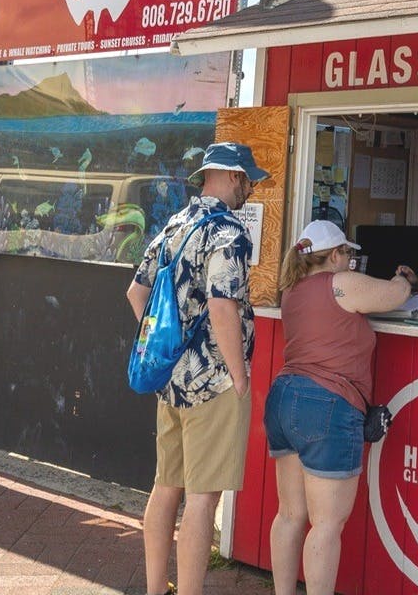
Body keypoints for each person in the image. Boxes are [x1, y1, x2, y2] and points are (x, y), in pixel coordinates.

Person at [125, 142, 269, 595]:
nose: (248, 187)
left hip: (171, 382)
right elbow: (223, 306)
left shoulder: (173, 225)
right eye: (246, 178)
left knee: (166, 485)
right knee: (204, 500)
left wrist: (169, 351)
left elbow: (135, 294)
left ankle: (155, 589)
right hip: (215, 384)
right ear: (227, 176)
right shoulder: (228, 232)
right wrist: (240, 377)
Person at [265, 219, 413, 595]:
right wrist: (403, 277)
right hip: (326, 405)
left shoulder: (291, 290)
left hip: (284, 397)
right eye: (348, 253)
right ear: (335, 255)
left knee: (289, 515)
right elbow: (395, 296)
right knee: (326, 525)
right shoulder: (340, 283)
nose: (351, 260)